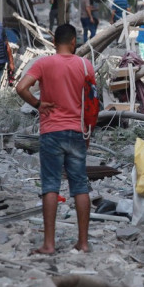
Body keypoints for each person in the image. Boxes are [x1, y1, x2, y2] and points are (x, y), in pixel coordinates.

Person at [15, 23, 94, 254]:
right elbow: (92, 103)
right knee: (80, 186)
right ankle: (83, 242)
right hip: (77, 131)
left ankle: (49, 244)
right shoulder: (85, 65)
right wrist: (88, 130)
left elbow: (21, 88)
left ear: (54, 43)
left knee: (50, 185)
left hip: (51, 131)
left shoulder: (43, 63)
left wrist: (39, 104)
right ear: (73, 42)